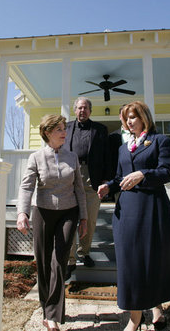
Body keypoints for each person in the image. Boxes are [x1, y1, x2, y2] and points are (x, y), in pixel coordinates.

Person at [97, 101, 170, 331]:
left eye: (133, 116)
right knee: (131, 263)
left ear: (144, 117)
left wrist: (142, 174)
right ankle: (135, 318)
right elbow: (120, 177)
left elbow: (166, 172)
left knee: (152, 260)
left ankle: (157, 308)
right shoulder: (123, 149)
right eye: (126, 118)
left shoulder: (161, 141)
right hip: (126, 211)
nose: (129, 121)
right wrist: (109, 186)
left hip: (152, 209)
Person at [16, 114, 88, 331]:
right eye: (58, 129)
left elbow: (79, 189)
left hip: (69, 212)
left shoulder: (72, 157)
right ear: (47, 132)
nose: (64, 132)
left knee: (59, 260)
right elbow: (27, 186)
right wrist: (22, 213)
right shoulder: (36, 157)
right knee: (44, 262)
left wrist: (83, 217)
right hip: (43, 213)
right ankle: (47, 311)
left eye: (64, 128)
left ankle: (53, 315)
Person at [64, 96, 109, 278]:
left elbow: (106, 157)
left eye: (86, 108)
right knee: (69, 221)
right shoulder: (65, 128)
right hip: (69, 179)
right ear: (75, 110)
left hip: (92, 178)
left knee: (89, 220)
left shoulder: (100, 130)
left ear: (90, 111)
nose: (82, 111)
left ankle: (85, 252)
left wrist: (106, 180)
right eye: (79, 108)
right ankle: (70, 260)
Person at [108, 104, 132, 180]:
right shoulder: (111, 137)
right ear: (120, 116)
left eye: (128, 115)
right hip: (118, 179)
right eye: (123, 115)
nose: (126, 118)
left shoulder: (141, 135)